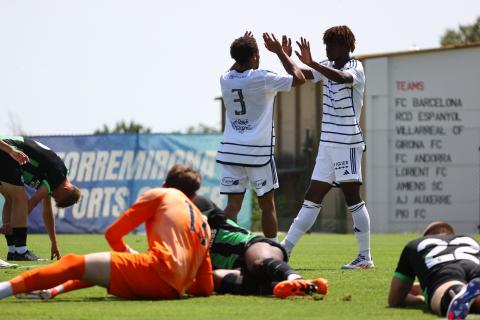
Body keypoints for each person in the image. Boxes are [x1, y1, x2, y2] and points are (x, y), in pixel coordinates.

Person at [0, 167, 213, 300]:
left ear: (165, 184)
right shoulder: (203, 221)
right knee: (99, 268)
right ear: (193, 197)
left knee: (74, 262)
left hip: (157, 272)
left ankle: (5, 289)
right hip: (173, 289)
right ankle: (53, 290)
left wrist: (129, 253)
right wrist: (179, 283)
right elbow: (205, 287)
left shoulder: (161, 194)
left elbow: (112, 235)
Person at [280, 26, 373, 269]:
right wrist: (285, 56)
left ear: (346, 46)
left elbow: (341, 78)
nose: (328, 49)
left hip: (347, 143)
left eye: (331, 45)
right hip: (328, 144)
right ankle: (284, 251)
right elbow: (299, 74)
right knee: (311, 198)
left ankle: (365, 257)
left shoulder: (356, 67)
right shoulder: (325, 65)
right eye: (326, 45)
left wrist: (315, 64)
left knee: (352, 198)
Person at [216, 31, 306, 242]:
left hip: (231, 151)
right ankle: (272, 252)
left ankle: (224, 248)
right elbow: (299, 78)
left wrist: (243, 51)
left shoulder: (225, 79)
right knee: (267, 205)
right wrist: (282, 54)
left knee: (232, 206)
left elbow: (236, 68)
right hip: (258, 153)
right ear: (255, 55)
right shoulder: (262, 77)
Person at [193, 195, 328, 299]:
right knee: (215, 277)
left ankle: (297, 279)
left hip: (252, 246)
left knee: (257, 263)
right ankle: (301, 286)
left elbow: (196, 217)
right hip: (238, 269)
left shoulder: (199, 204)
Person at [0, 136, 81, 261]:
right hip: (8, 149)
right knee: (20, 198)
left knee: (11, 198)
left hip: (6, 150)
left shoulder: (55, 179)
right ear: (67, 189)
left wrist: (54, 243)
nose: (52, 195)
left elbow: (47, 211)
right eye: (55, 195)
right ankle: (21, 251)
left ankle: (12, 250)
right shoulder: (58, 175)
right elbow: (32, 202)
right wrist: (11, 224)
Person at [388, 221, 480, 319]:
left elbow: (395, 299)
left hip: (445, 270)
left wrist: (420, 299)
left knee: (447, 290)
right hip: (474, 264)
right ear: (451, 233)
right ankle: (471, 297)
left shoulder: (414, 244)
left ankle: (458, 291)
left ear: (426, 236)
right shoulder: (469, 239)